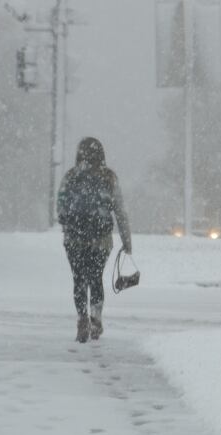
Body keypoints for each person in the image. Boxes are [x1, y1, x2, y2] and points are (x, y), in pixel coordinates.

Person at [57, 137, 132, 343]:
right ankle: (96, 318)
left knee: (79, 280)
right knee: (95, 277)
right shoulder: (109, 177)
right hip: (101, 239)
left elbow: (60, 206)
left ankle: (82, 319)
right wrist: (127, 240)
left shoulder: (71, 176)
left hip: (74, 239)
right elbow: (120, 211)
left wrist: (69, 227)